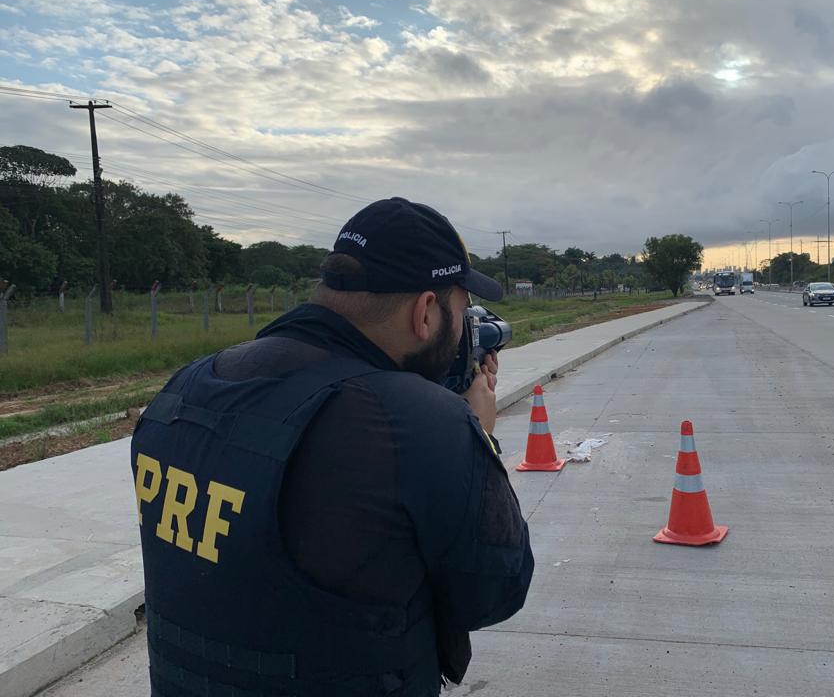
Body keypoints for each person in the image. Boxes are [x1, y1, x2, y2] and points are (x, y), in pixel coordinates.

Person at [131, 197, 534, 696]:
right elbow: (496, 591)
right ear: (425, 311)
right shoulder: (424, 425)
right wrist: (479, 434)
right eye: (459, 310)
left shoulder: (183, 390)